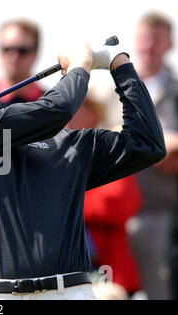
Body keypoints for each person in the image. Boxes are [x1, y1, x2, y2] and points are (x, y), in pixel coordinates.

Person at [0, 26, 166, 300]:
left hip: (72, 293)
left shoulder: (66, 144)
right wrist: (81, 66)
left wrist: (120, 64)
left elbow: (146, 143)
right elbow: (57, 110)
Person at [96, 12, 178, 300]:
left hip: (160, 214)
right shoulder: (110, 89)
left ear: (169, 44)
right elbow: (99, 140)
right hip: (112, 220)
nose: (149, 47)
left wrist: (135, 144)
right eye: (145, 38)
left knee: (161, 291)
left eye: (156, 39)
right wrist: (159, 146)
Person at [67, 95, 143, 297]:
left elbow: (117, 204)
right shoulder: (48, 152)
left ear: (92, 114)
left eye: (78, 108)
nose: (69, 115)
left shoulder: (109, 149)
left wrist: (63, 203)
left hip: (106, 269)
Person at [0, 18, 45, 107]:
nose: (13, 56)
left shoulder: (49, 104)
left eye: (22, 51)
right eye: (6, 49)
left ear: (35, 54)